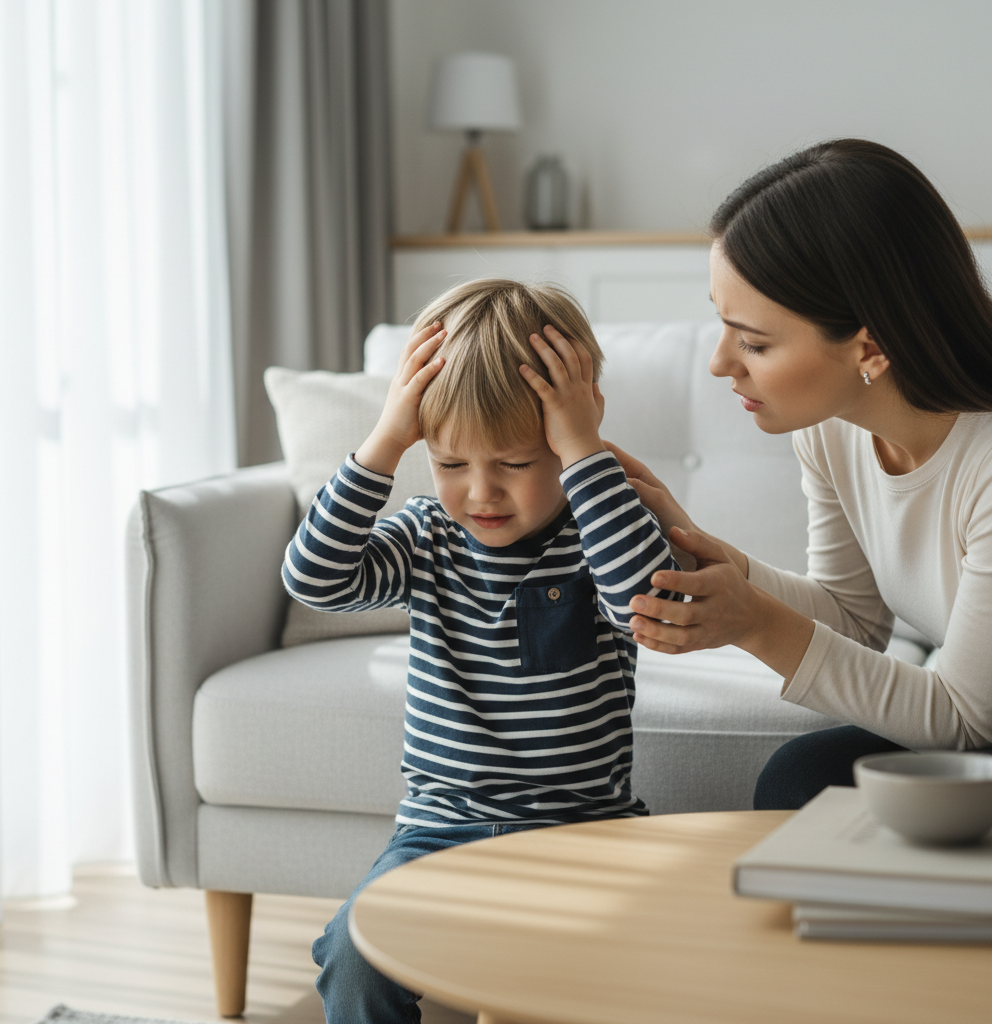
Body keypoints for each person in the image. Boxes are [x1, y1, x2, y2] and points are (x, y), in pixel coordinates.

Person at [282, 278, 682, 1024]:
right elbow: (314, 579)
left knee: (661, 953)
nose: (481, 494)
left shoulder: (598, 529)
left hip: (586, 827)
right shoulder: (428, 533)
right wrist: (386, 439)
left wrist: (585, 453)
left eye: (518, 464)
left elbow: (644, 607)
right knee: (353, 956)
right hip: (440, 829)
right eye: (451, 463)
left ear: (564, 443)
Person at [612, 138, 992, 810]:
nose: (721, 362)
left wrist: (753, 622)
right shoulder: (832, 430)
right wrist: (709, 553)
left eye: (754, 341)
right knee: (802, 780)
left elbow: (965, 722)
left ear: (869, 347)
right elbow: (853, 621)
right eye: (723, 327)